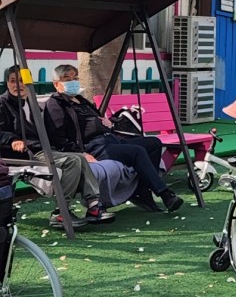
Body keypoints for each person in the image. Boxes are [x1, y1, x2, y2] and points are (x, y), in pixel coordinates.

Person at [43, 64, 183, 213]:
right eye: (67, 79)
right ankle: (165, 194)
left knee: (154, 143)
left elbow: (95, 119)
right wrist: (81, 153)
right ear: (56, 84)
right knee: (137, 152)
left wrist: (107, 123)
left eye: (75, 78)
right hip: (95, 147)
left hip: (110, 139)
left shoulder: (80, 100)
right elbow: (58, 138)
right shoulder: (56, 105)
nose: (73, 81)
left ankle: (142, 191)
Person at [0, 66, 115, 228]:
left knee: (80, 158)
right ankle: (62, 212)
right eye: (13, 81)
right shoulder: (3, 103)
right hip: (23, 154)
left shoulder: (31, 103)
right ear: (7, 83)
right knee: (72, 161)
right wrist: (12, 140)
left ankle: (93, 205)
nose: (18, 85)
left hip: (41, 149)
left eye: (22, 81)